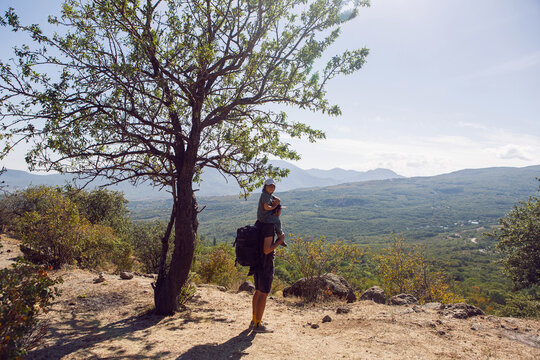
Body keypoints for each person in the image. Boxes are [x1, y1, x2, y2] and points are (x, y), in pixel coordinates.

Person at [250, 203, 285, 333]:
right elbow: (266, 250)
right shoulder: (269, 227)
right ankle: (258, 325)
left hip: (257, 262)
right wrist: (279, 241)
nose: (281, 212)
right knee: (263, 293)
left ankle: (255, 320)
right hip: (265, 264)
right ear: (276, 211)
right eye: (280, 210)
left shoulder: (259, 222)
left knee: (258, 291)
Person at [256, 178, 286, 246]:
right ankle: (280, 237)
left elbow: (277, 199)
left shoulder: (268, 194)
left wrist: (277, 200)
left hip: (265, 215)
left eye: (273, 186)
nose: (272, 188)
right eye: (270, 186)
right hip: (264, 217)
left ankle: (278, 234)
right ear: (265, 187)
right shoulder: (265, 195)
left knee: (276, 220)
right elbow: (266, 207)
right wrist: (274, 206)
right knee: (277, 221)